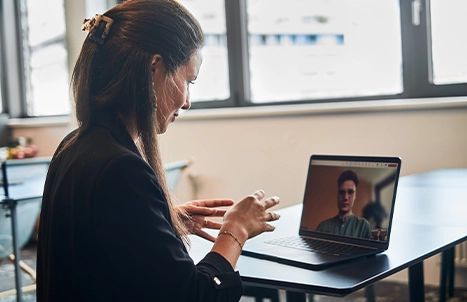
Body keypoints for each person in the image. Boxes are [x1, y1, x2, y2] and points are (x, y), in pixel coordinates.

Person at [36, 1, 280, 301]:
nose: (187, 101)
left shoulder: (74, 145)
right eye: (188, 81)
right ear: (155, 68)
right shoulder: (121, 170)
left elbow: (93, 243)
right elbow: (194, 295)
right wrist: (235, 230)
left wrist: (159, 220)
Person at [316, 170, 371, 238]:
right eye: (342, 192)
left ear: (355, 196)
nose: (345, 197)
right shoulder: (323, 227)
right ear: (337, 195)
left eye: (350, 192)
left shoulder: (364, 226)